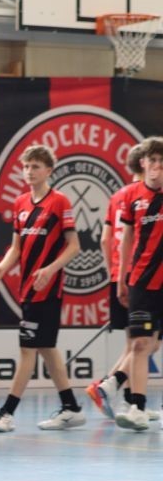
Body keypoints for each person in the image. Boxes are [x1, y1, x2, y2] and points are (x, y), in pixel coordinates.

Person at [0, 144, 84, 433]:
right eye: (26, 166)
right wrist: (2, 268)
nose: (29, 171)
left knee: (28, 350)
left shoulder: (59, 202)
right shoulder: (20, 203)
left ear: (49, 170)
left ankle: (6, 413)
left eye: (36, 166)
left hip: (47, 290)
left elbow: (74, 246)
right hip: (27, 288)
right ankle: (71, 408)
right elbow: (16, 247)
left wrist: (50, 269)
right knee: (47, 349)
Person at [89, 144, 148, 419]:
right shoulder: (144, 195)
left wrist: (113, 272)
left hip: (119, 274)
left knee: (135, 342)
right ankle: (111, 387)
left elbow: (104, 239)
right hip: (142, 275)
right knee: (145, 342)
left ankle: (129, 401)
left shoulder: (117, 196)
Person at [114, 137, 163, 431]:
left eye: (162, 161)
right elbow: (126, 240)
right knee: (141, 343)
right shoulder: (132, 195)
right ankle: (138, 408)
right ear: (143, 163)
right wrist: (122, 278)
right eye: (153, 160)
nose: (157, 166)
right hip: (141, 282)